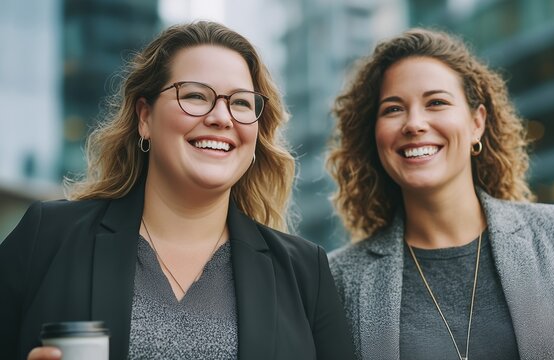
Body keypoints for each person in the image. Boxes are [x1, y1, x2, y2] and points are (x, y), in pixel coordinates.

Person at [0, 21, 354, 360]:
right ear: (145, 117)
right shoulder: (47, 237)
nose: (222, 117)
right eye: (196, 96)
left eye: (242, 102)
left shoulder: (306, 272)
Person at [326, 28, 554, 360]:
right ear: (373, 135)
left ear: (477, 123)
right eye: (392, 109)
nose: (414, 123)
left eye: (436, 102)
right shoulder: (339, 280)